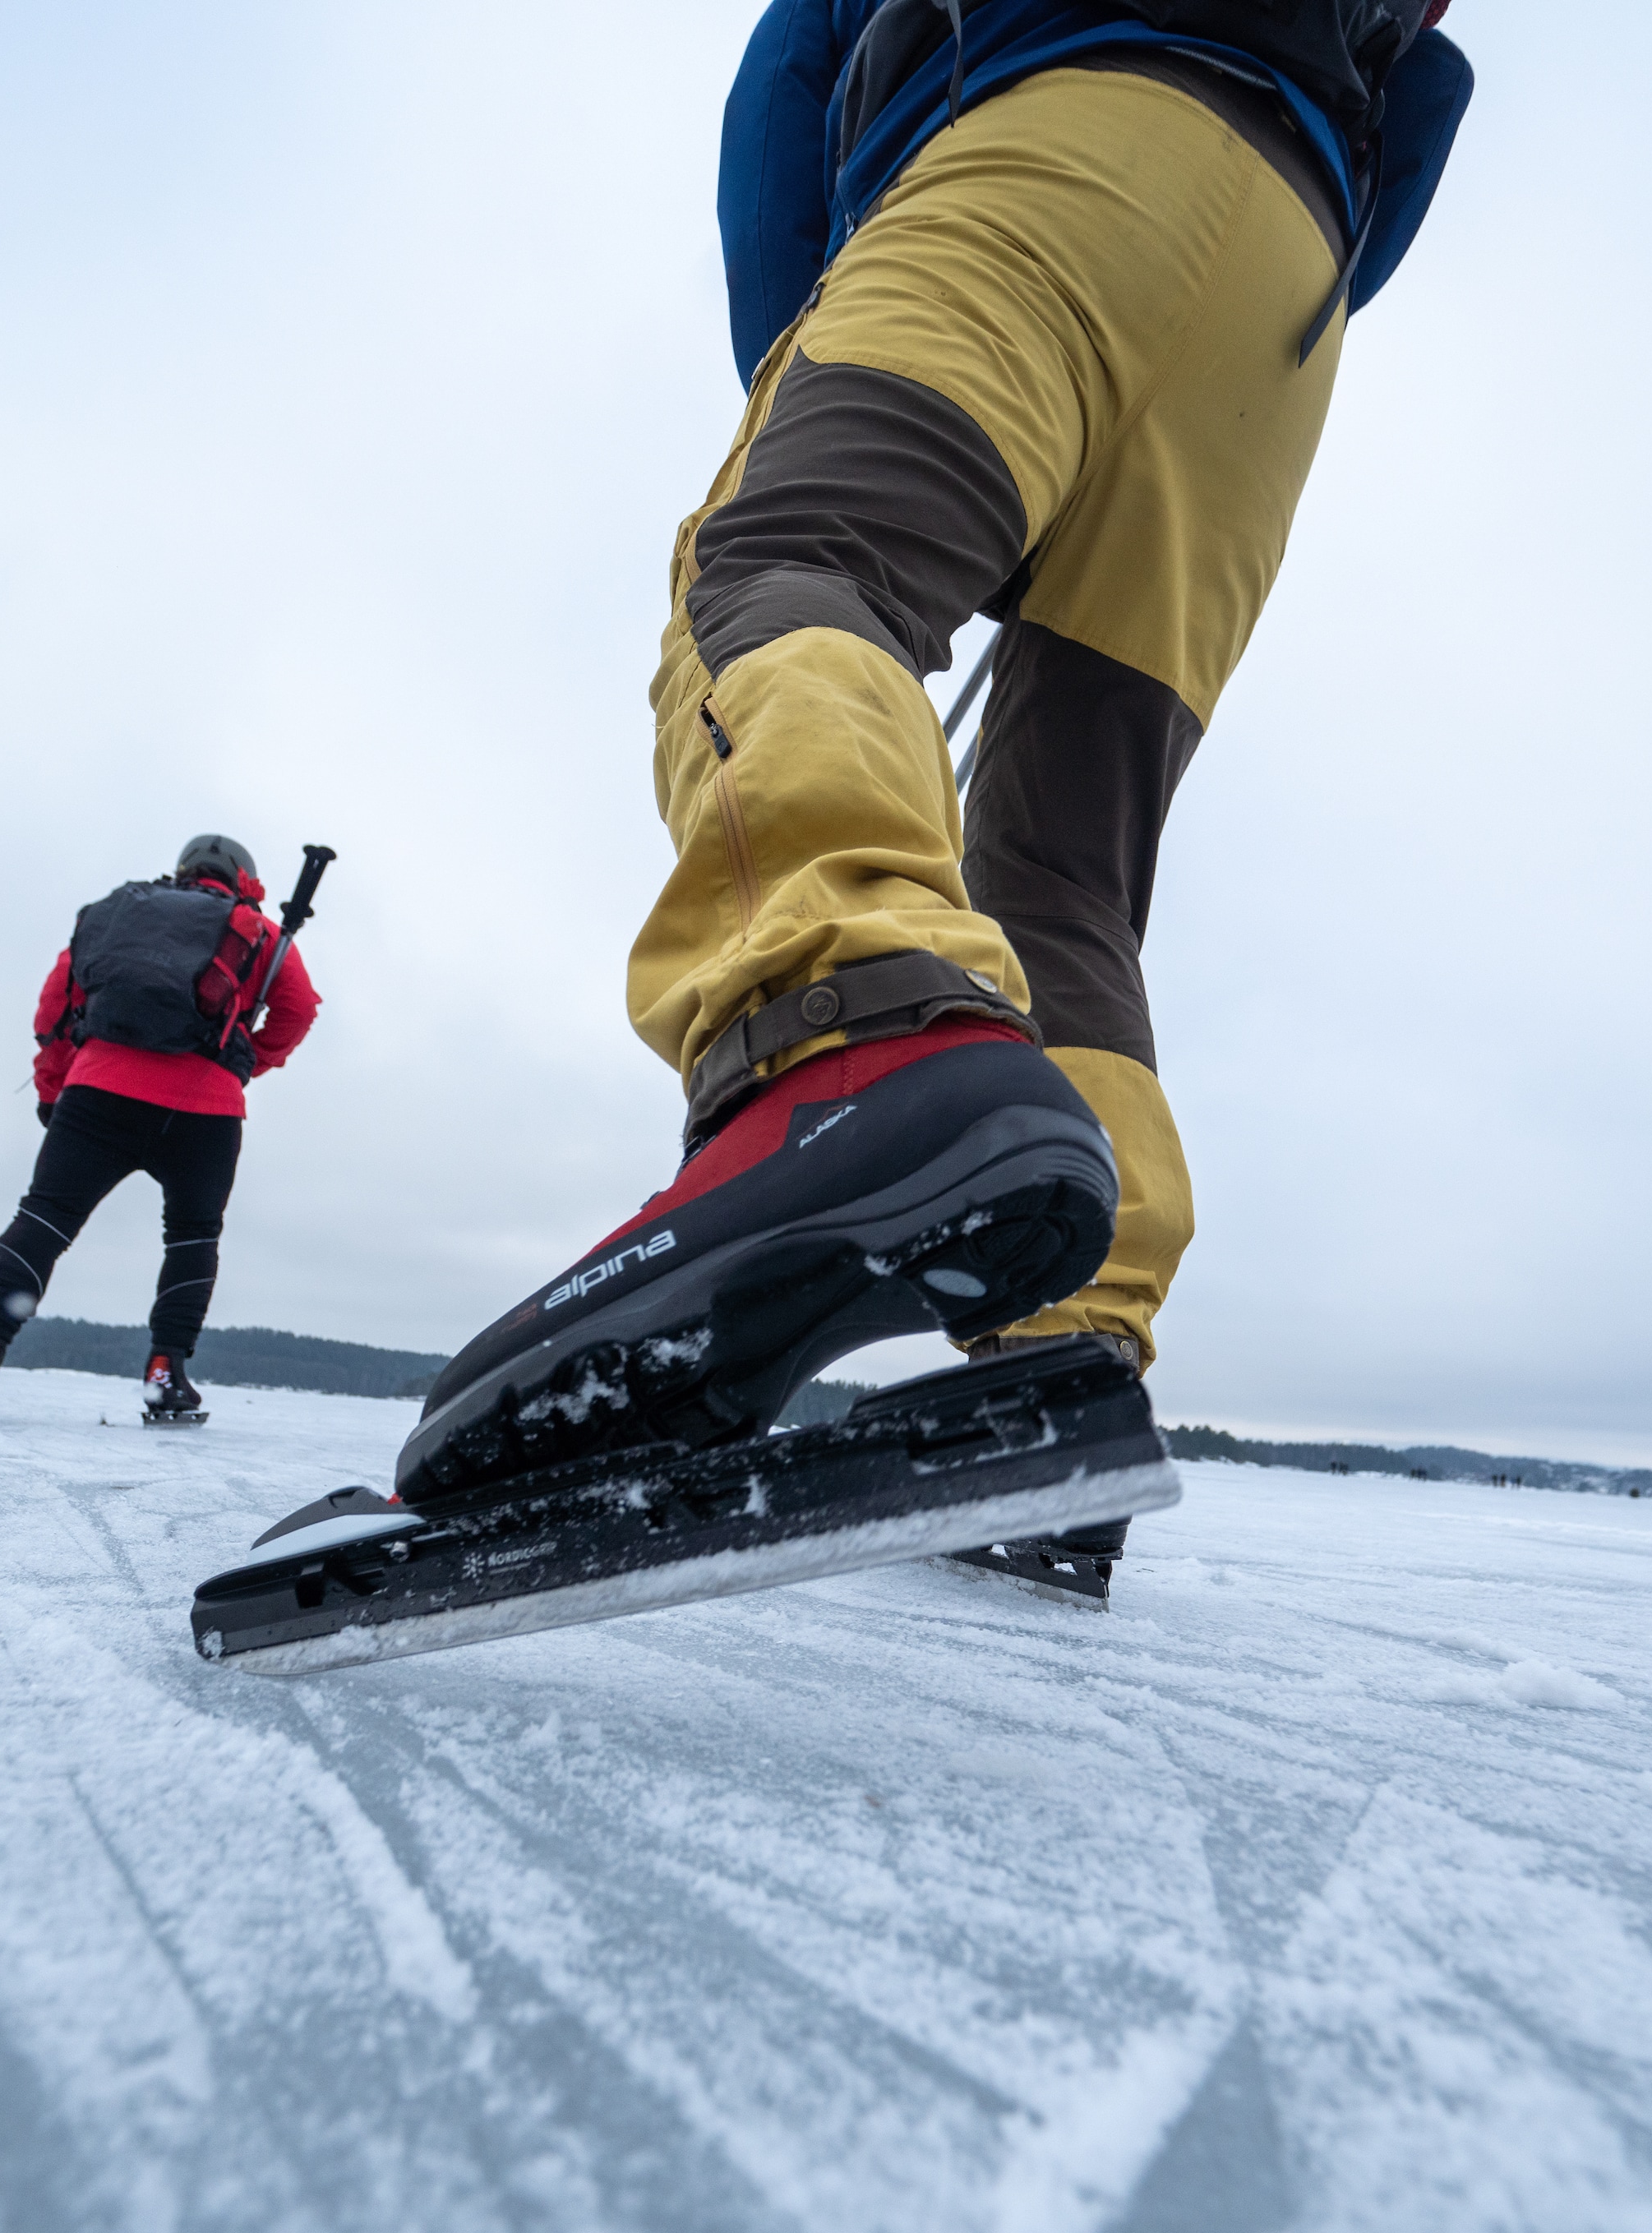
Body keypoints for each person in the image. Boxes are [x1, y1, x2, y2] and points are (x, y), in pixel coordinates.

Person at [389, 0, 1474, 1594]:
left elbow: (793, 79)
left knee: (787, 560)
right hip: (1287, 289)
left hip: (1049, 135)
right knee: (1066, 854)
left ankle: (835, 1044)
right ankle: (1068, 1337)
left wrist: (808, 358)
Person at [0, 833, 319, 1421]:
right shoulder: (260, 934)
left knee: (45, 1220)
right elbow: (299, 1008)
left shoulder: (115, 916)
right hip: (206, 1110)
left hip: (99, 1092)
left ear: (184, 871)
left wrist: (53, 1092)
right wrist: (244, 1064)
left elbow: (55, 1009)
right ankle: (166, 1372)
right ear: (243, 879)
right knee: (191, 1238)